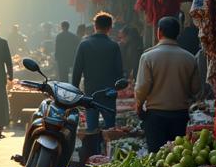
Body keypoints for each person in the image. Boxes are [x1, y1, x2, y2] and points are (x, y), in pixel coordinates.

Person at [134, 15, 203, 152]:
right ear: (178, 33)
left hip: (155, 117)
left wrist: (139, 106)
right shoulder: (190, 58)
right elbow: (196, 89)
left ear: (159, 32)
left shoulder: (148, 57)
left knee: (156, 158)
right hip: (180, 116)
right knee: (176, 158)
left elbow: (142, 88)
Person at [72, 12, 124, 144]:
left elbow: (77, 71)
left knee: (92, 130)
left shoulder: (84, 45)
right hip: (109, 94)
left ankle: (92, 155)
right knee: (110, 130)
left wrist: (74, 91)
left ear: (94, 26)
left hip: (91, 94)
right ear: (110, 27)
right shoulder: (114, 46)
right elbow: (119, 73)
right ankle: (108, 156)